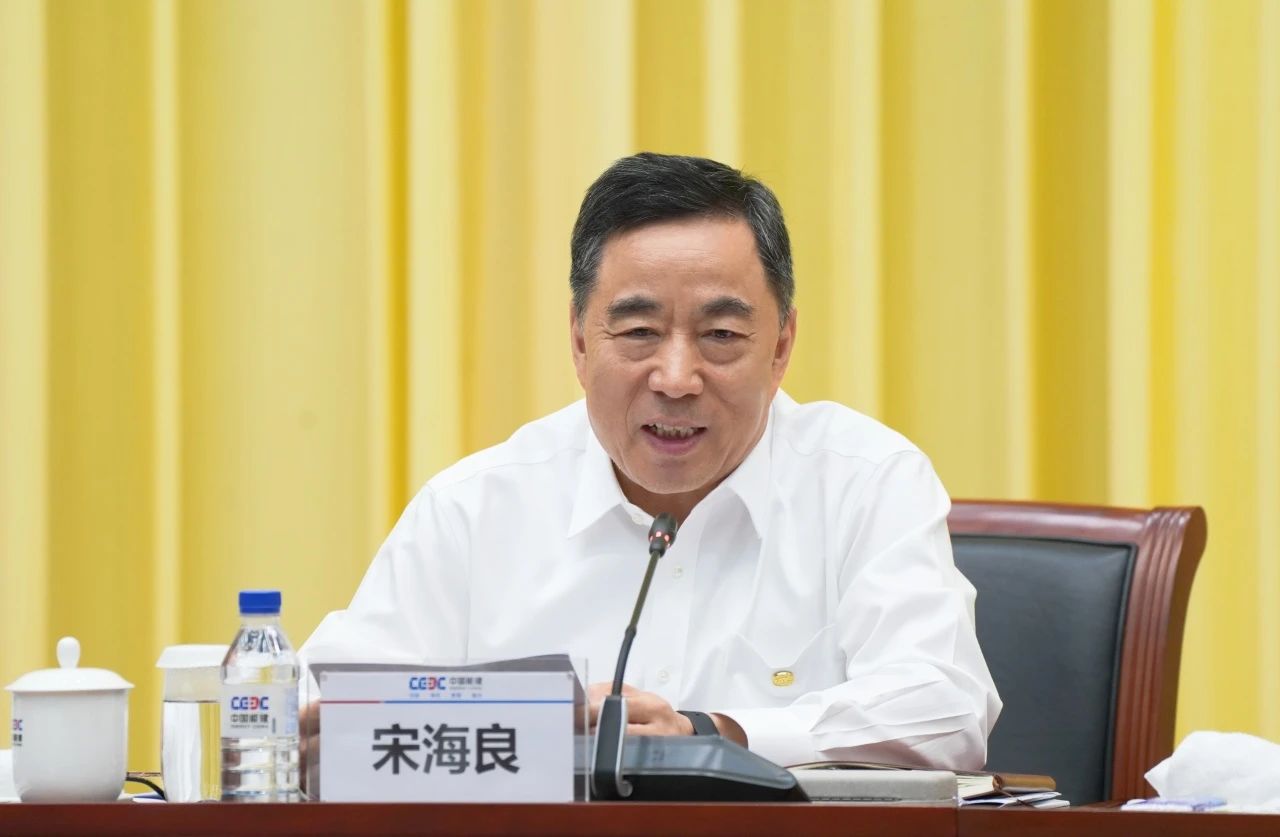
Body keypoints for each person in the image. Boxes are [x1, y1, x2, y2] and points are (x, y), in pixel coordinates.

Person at [301, 152, 1000, 770]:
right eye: (638, 332)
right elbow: (316, 707)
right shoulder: (477, 507)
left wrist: (712, 734)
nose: (676, 378)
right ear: (580, 342)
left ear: (782, 345)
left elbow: (945, 707)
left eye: (720, 334)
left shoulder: (866, 481)